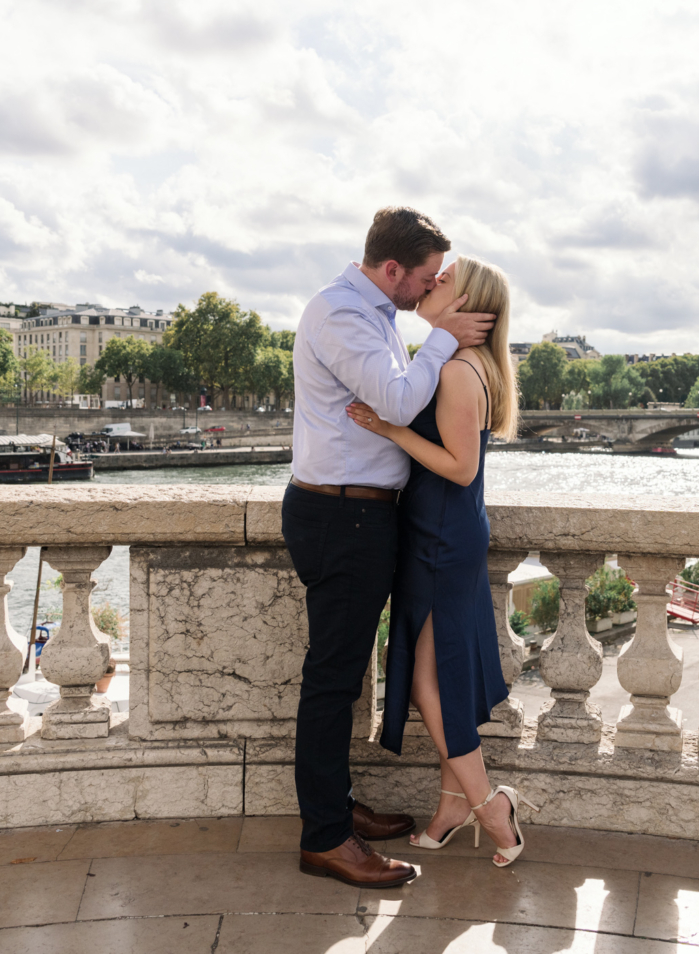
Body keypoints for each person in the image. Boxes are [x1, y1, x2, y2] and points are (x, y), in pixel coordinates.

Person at [284, 207, 494, 889]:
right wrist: (439, 340)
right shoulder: (344, 315)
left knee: (342, 676)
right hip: (341, 516)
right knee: (333, 680)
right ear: (394, 269)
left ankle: (335, 811)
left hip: (355, 514)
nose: (429, 290)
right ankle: (325, 838)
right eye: (427, 277)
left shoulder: (371, 315)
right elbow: (399, 405)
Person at [348, 255, 539, 868]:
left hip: (440, 536)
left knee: (431, 682)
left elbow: (460, 467)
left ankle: (489, 805)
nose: (432, 283)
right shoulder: (470, 364)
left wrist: (388, 430)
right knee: (439, 675)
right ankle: (453, 803)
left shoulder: (459, 371)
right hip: (445, 531)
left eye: (445, 280)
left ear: (468, 305)